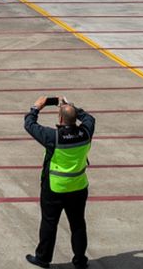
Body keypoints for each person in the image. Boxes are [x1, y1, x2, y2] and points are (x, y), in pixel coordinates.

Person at [25, 95, 95, 269]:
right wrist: (71, 107)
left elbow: (29, 124)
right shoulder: (86, 132)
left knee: (49, 222)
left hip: (54, 188)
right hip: (78, 187)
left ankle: (43, 258)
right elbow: (89, 118)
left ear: (60, 118)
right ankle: (80, 260)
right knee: (78, 224)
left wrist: (36, 107)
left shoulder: (53, 137)